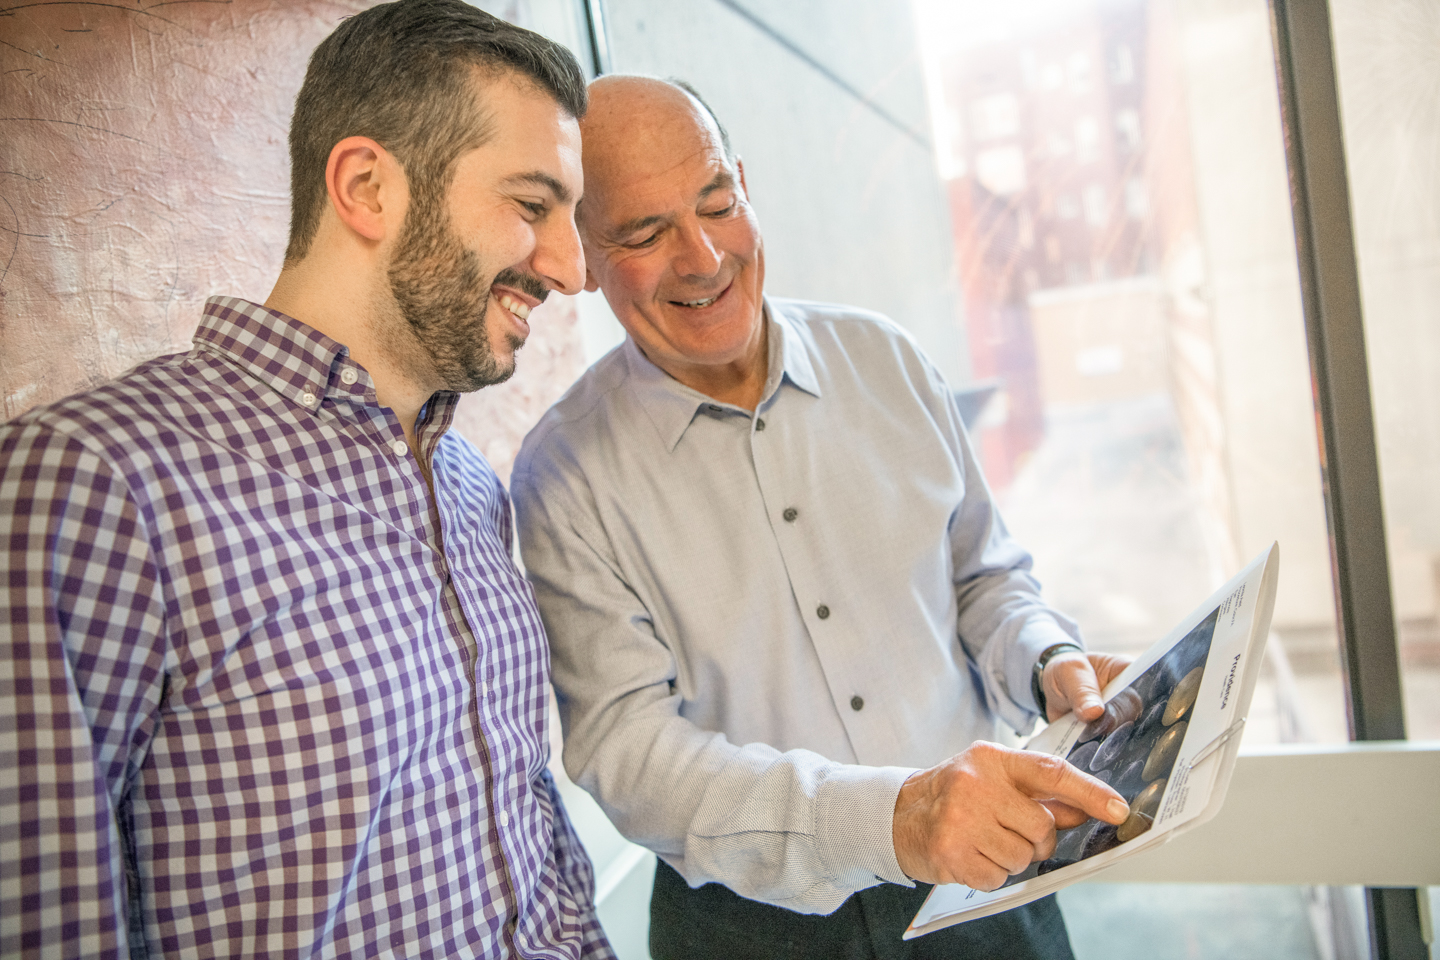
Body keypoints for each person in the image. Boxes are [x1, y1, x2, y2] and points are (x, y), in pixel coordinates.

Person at [0, 3, 614, 957]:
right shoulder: (97, 479)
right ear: (366, 187)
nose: (573, 269)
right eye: (533, 207)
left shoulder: (467, 487)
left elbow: (526, 828)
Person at [511, 75, 1132, 959]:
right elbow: (629, 749)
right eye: (645, 234)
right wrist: (890, 820)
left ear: (747, 188)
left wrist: (1048, 661)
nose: (702, 256)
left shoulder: (888, 360)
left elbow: (986, 580)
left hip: (987, 881)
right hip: (744, 927)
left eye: (717, 203)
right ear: (580, 254)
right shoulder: (561, 476)